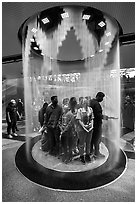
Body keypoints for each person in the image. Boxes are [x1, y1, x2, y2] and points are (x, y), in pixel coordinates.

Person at [89, 92, 108, 158]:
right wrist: (105, 117)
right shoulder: (96, 104)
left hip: (91, 125)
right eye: (102, 97)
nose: (102, 99)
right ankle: (97, 153)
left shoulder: (91, 102)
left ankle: (90, 152)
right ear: (98, 96)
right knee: (97, 139)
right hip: (96, 125)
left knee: (91, 139)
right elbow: (98, 115)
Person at [76, 98, 94, 164]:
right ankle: (81, 156)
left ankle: (87, 155)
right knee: (82, 143)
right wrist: (84, 127)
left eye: (86, 102)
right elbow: (79, 120)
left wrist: (92, 126)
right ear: (81, 103)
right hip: (82, 129)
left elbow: (92, 118)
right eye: (83, 102)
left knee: (88, 143)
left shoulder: (90, 109)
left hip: (90, 128)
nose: (85, 103)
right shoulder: (79, 110)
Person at [61, 97, 78, 163]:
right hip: (67, 132)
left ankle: (69, 157)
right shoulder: (66, 113)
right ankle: (67, 156)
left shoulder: (72, 113)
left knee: (70, 145)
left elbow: (70, 124)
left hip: (71, 132)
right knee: (66, 145)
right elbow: (63, 123)